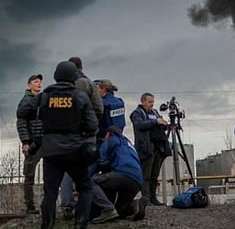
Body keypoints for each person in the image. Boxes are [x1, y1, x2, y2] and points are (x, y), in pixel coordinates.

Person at [17, 60, 98, 229]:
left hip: (51, 152)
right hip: (75, 151)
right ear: (74, 77)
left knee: (50, 193)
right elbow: (92, 126)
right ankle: (80, 224)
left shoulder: (45, 96)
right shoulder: (80, 96)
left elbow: (22, 111)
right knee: (85, 188)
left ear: (56, 76)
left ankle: (47, 225)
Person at [60, 56, 104, 218]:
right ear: (81, 67)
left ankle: (67, 204)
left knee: (67, 169)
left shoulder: (60, 86)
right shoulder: (87, 83)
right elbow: (99, 109)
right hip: (85, 133)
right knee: (85, 168)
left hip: (66, 133)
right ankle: (85, 206)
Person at [89, 126, 147, 224]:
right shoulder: (128, 144)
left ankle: (108, 209)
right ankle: (134, 205)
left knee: (90, 182)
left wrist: (88, 175)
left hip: (122, 173)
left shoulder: (111, 139)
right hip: (137, 180)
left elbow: (99, 159)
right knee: (120, 211)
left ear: (108, 134)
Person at [130, 92, 170, 206]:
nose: (152, 104)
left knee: (154, 175)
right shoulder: (137, 113)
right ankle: (145, 199)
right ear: (143, 102)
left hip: (158, 148)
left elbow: (159, 126)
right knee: (146, 175)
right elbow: (139, 125)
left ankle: (153, 198)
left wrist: (163, 124)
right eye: (149, 102)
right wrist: (155, 121)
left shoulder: (155, 112)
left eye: (153, 102)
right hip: (146, 148)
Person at [16, 73, 44, 214]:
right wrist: (25, 142)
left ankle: (47, 204)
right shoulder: (26, 101)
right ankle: (30, 206)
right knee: (29, 176)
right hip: (33, 143)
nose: (38, 84)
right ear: (29, 85)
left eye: (40, 82)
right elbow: (21, 122)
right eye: (35, 82)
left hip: (44, 141)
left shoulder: (42, 99)